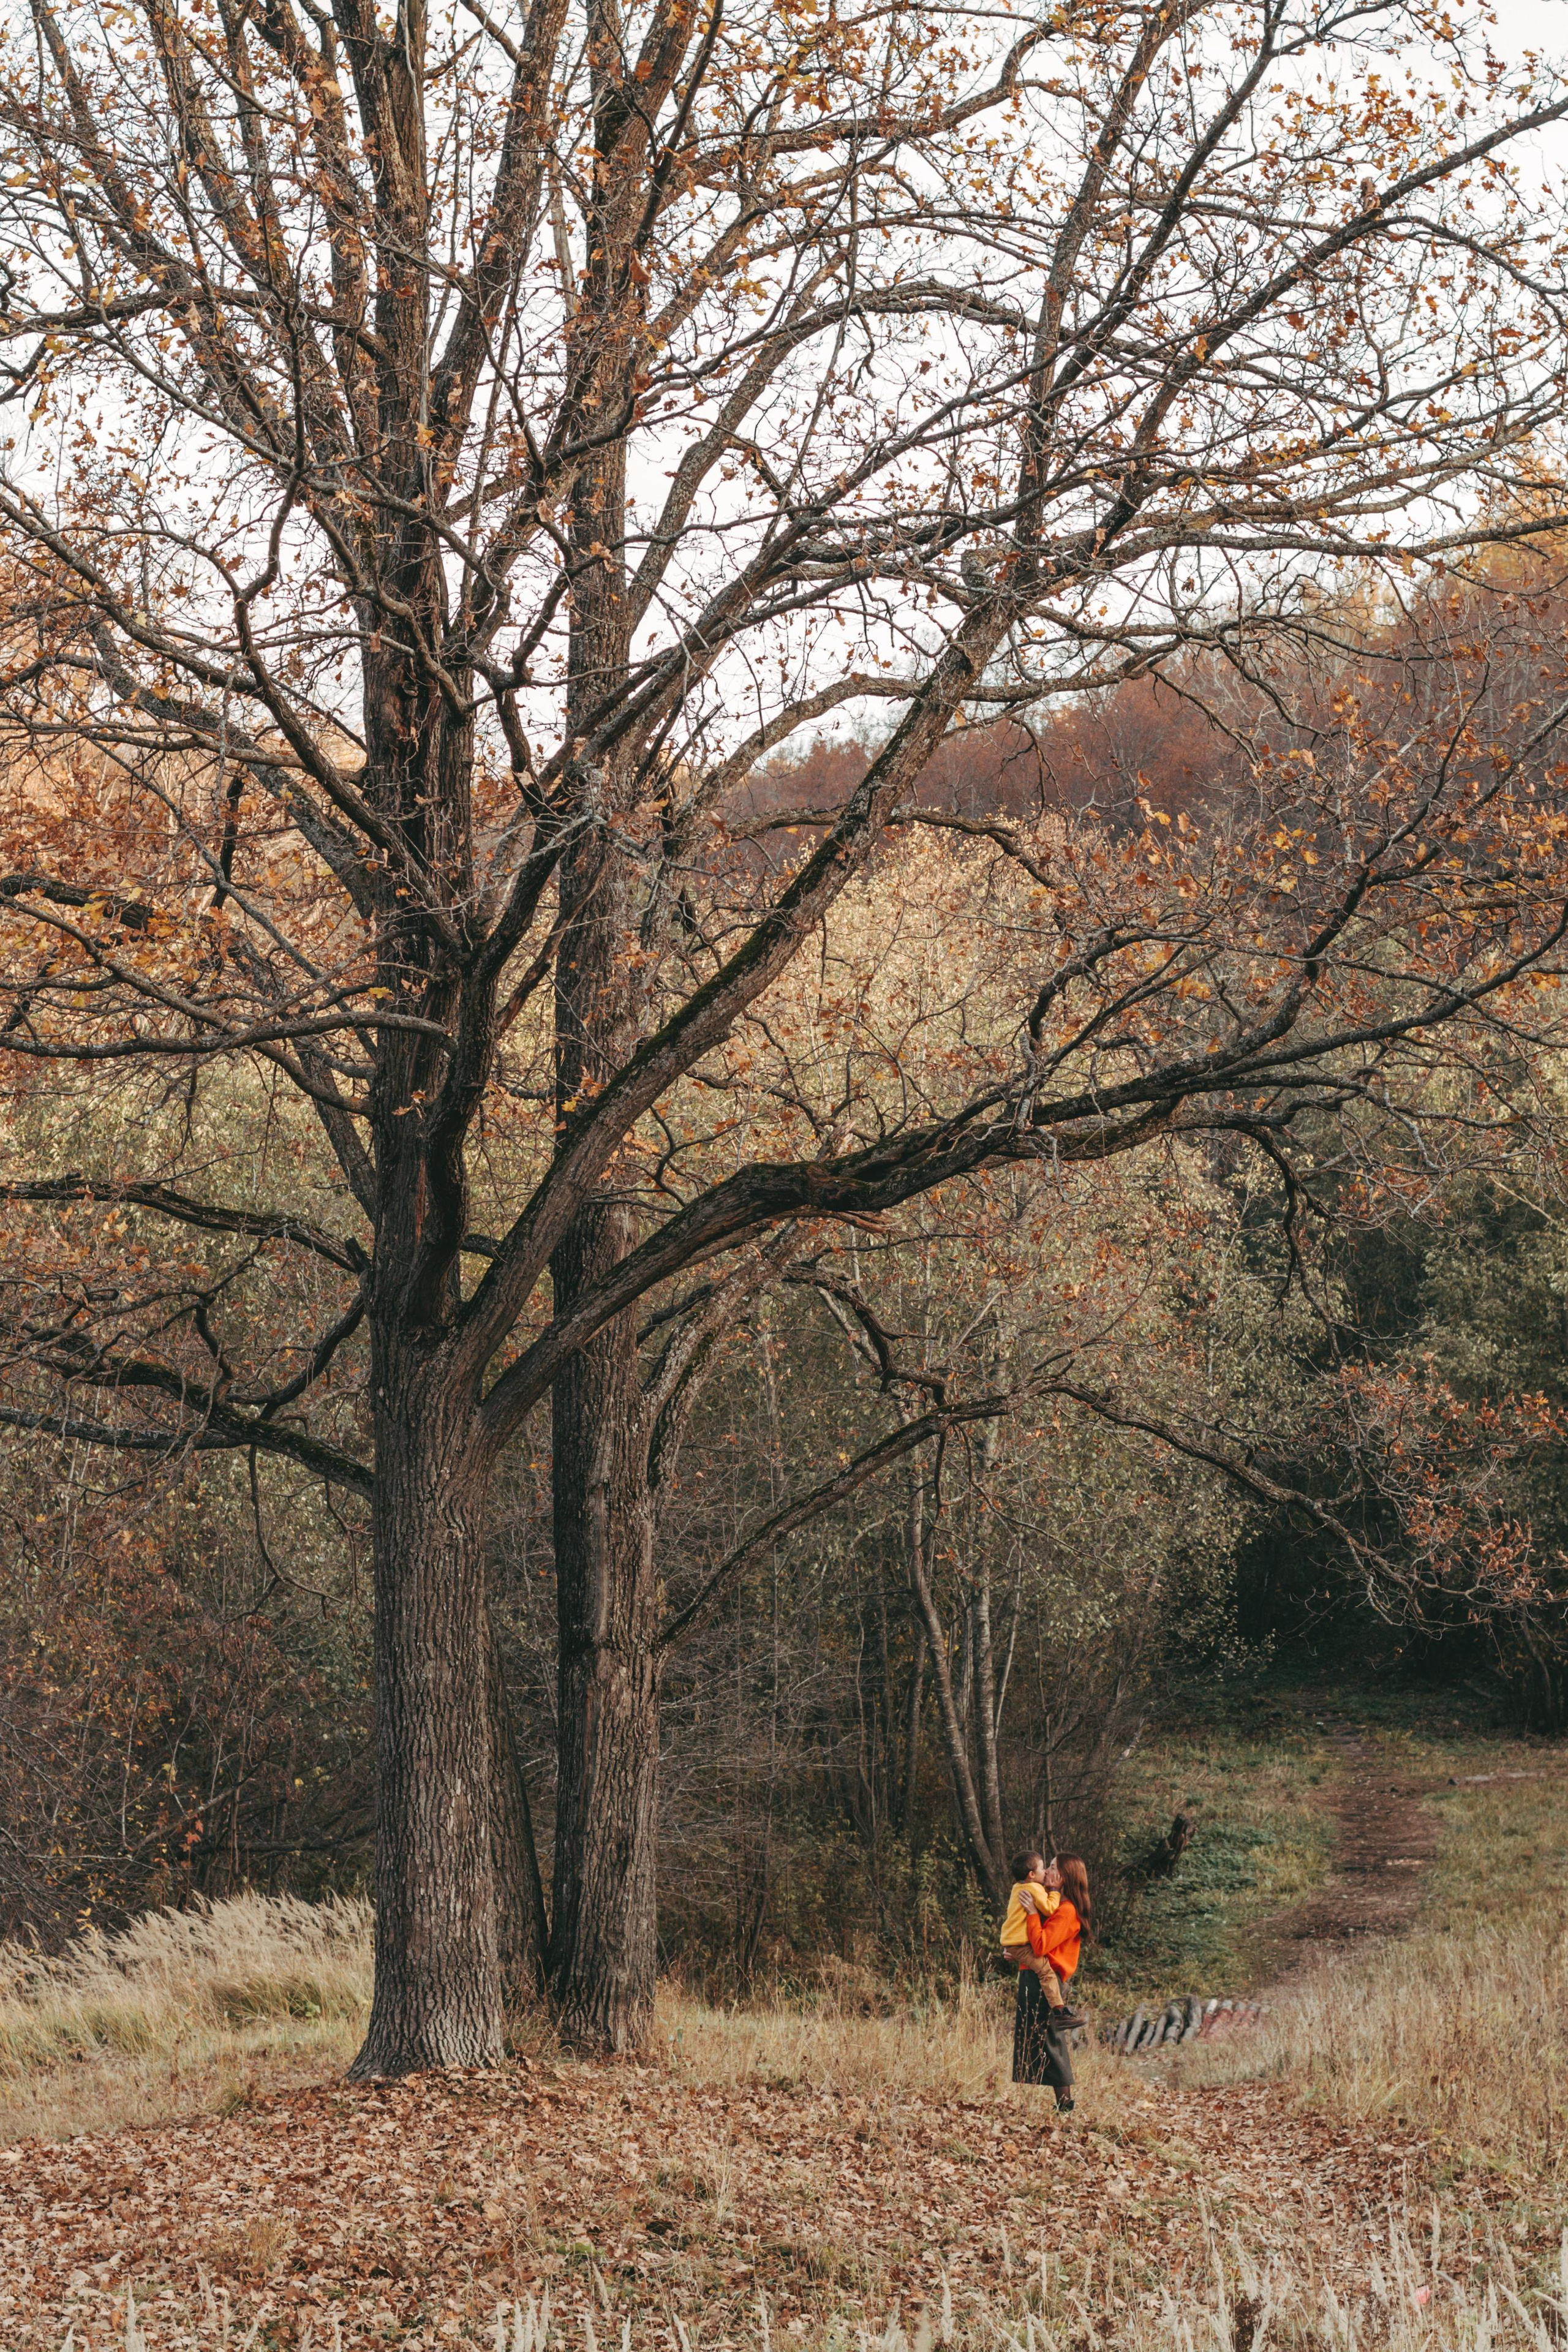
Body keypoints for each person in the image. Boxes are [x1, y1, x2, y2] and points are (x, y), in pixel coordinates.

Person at [1011, 1852, 1091, 2113]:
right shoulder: (1054, 1903)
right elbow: (1032, 1942)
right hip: (1034, 1975)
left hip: (1047, 1981)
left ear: (1065, 1876)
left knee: (1052, 2040)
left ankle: (1065, 2107)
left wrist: (1033, 1913)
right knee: (1038, 2039)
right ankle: (1062, 2105)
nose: (1047, 1871)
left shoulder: (1067, 1911)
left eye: (1053, 1868)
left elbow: (1042, 1944)